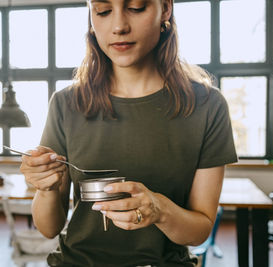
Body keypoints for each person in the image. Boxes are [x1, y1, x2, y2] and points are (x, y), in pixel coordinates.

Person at [20, 0, 237, 266]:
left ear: (165, 9)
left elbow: (200, 230)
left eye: (135, 7)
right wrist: (46, 188)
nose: (119, 26)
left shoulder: (207, 106)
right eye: (103, 11)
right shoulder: (66, 104)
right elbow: (48, 228)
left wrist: (160, 211)